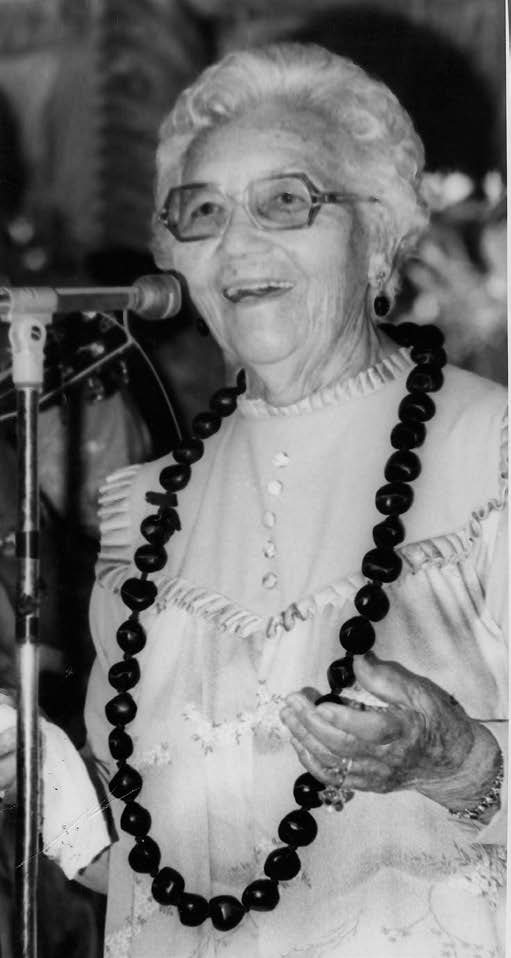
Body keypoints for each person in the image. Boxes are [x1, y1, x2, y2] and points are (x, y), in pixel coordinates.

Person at [1, 42, 507, 958]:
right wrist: (44, 786)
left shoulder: (491, 456)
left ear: (380, 233)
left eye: (286, 201)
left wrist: (457, 763)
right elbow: (151, 881)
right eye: (202, 214)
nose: (238, 245)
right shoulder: (142, 517)